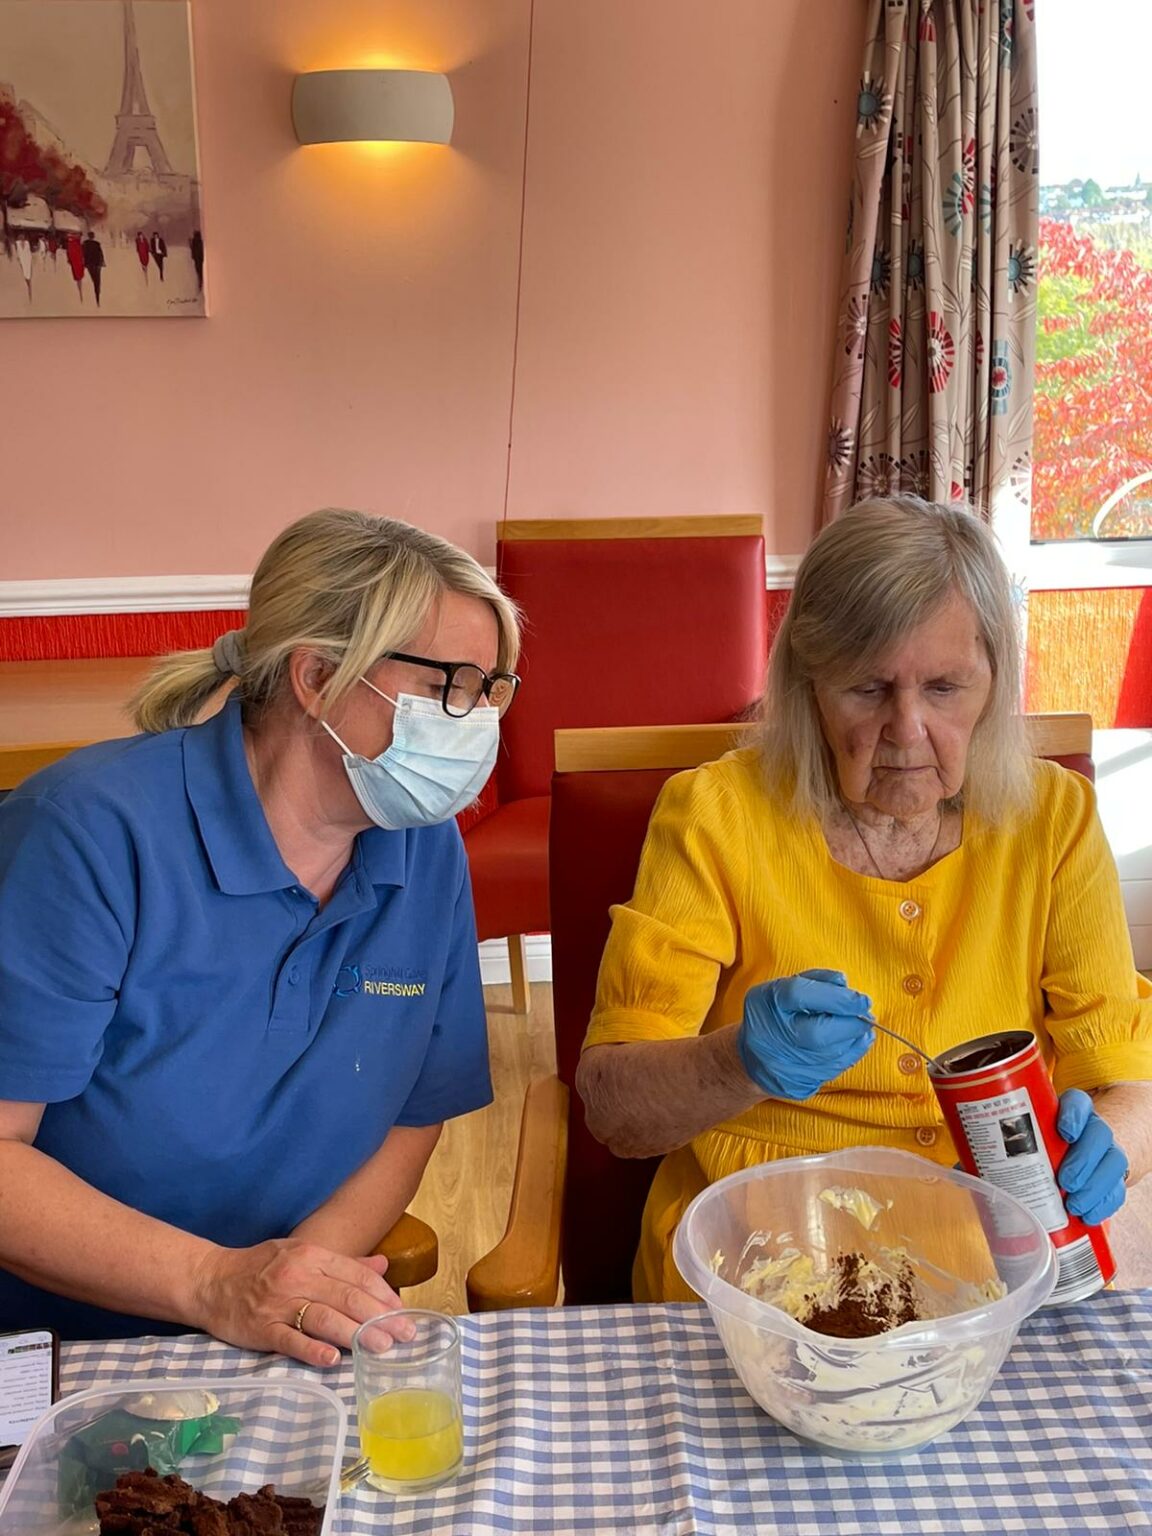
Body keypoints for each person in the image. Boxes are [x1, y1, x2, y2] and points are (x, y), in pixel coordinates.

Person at [577, 496, 1152, 1302]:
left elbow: (1121, 1071)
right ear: (809, 685)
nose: (907, 729)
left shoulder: (1052, 818)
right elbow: (613, 1110)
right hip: (760, 1257)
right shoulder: (715, 815)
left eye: (945, 687)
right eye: (868, 688)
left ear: (994, 683)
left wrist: (1115, 1142)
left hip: (989, 1255)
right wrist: (737, 1060)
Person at [0, 509, 521, 1363]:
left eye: (492, 689)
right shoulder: (87, 834)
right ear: (318, 676)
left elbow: (414, 1115)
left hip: (272, 1340)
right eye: (452, 686)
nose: (477, 722)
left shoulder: (423, 850)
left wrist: (294, 1289)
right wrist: (219, 1286)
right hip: (67, 1344)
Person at [81, 230, 104, 305]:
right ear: (93, 236)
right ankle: (97, 296)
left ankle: (97, 295)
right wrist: (102, 263)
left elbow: (83, 254)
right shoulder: (97, 244)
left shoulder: (85, 244)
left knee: (94, 279)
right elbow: (101, 254)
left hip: (89, 264)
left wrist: (84, 263)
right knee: (97, 280)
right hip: (97, 264)